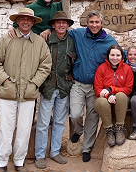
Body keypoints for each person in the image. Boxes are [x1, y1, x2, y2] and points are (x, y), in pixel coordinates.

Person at [41, 10, 117, 162]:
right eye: (91, 22)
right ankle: (78, 130)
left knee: (92, 117)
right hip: (78, 83)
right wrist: (49, 29)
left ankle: (87, 148)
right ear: (87, 24)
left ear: (101, 24)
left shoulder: (109, 41)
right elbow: (62, 29)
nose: (94, 25)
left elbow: (120, 56)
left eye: (97, 22)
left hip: (96, 86)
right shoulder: (79, 34)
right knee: (75, 113)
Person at [0, 8, 52, 172]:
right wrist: (5, 81)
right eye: (23, 19)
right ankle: (1, 162)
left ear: (33, 22)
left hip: (28, 93)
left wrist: (34, 84)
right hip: (8, 92)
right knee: (6, 128)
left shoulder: (39, 42)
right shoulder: (6, 39)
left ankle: (19, 161)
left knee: (24, 129)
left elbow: (45, 66)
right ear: (17, 21)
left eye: (29, 20)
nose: (26, 22)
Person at [34, 11, 76, 169]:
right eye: (58, 22)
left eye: (64, 22)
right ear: (53, 25)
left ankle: (55, 152)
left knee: (59, 121)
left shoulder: (72, 40)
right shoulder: (45, 38)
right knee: (44, 123)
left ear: (68, 25)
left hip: (64, 86)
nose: (61, 25)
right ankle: (40, 155)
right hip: (48, 86)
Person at [94, 45, 134, 147]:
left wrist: (112, 90)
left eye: (118, 55)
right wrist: (108, 95)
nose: (115, 58)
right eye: (112, 55)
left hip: (122, 99)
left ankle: (119, 127)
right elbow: (98, 89)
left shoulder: (127, 69)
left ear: (122, 56)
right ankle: (109, 130)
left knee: (121, 95)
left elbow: (128, 89)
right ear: (108, 56)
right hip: (106, 98)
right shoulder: (101, 68)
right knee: (100, 101)